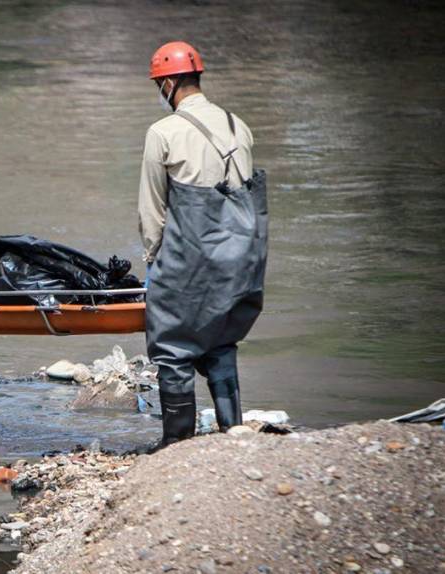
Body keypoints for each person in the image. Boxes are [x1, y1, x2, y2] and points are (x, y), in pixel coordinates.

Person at [138, 42, 269, 446]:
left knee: (173, 347)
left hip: (191, 257)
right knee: (221, 340)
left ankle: (176, 444)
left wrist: (153, 262)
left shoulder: (163, 132)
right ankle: (233, 429)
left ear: (170, 83)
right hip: (245, 258)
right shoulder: (238, 124)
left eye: (160, 84)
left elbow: (152, 209)